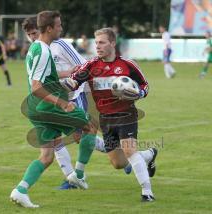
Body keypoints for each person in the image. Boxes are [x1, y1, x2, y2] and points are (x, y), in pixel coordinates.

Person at [10, 11, 98, 208]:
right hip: (49, 105)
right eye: (58, 25)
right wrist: (63, 104)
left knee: (47, 156)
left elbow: (44, 74)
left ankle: (21, 190)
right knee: (90, 127)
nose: (61, 28)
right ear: (49, 28)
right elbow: (37, 87)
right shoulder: (43, 51)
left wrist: (68, 72)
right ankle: (78, 176)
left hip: (35, 108)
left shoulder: (36, 48)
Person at [62, 28, 158, 202]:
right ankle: (149, 154)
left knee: (129, 150)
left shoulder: (127, 65)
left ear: (113, 43)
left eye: (102, 42)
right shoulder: (91, 66)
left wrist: (139, 94)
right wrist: (64, 84)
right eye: (96, 42)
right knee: (118, 163)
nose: (97, 46)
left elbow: (145, 86)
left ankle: (147, 192)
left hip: (126, 115)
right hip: (105, 119)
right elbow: (74, 81)